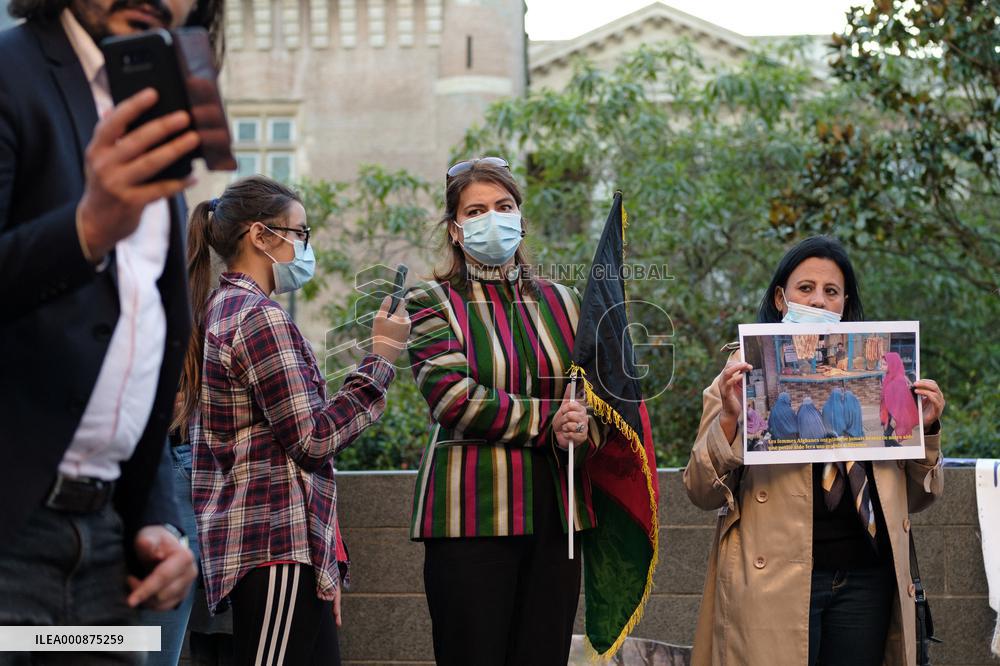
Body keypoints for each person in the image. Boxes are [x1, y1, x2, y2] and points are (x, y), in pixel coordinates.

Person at [0, 0, 220, 652]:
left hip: (107, 549)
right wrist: (85, 229)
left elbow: (135, 345)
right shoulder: (11, 74)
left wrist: (158, 519)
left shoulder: (153, 105)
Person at [684, 235, 946, 666]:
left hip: (867, 580)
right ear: (781, 299)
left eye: (831, 291)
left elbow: (919, 498)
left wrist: (927, 427)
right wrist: (730, 420)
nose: (819, 301)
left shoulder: (888, 377)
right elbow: (700, 491)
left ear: (846, 302)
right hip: (775, 585)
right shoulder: (737, 376)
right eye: (805, 288)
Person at [183, 176, 411, 665]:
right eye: (300, 233)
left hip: (284, 548)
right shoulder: (256, 317)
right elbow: (311, 439)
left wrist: (325, 556)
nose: (306, 247)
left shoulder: (222, 310)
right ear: (261, 236)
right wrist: (381, 359)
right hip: (273, 546)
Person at [405, 157, 602, 665]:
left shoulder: (567, 302)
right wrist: (548, 421)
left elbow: (600, 398)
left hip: (558, 519)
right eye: (476, 210)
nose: (492, 218)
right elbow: (452, 396)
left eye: (503, 206)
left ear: (521, 218)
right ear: (455, 228)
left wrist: (585, 424)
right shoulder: (429, 301)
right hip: (470, 516)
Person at [881, 352, 920, 447]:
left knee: (886, 436)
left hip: (895, 414)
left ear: (892, 365)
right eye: (881, 364)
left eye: (884, 364)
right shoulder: (889, 376)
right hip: (889, 412)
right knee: (886, 437)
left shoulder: (898, 380)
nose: (881, 367)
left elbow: (901, 402)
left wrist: (895, 419)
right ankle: (892, 451)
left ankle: (899, 451)